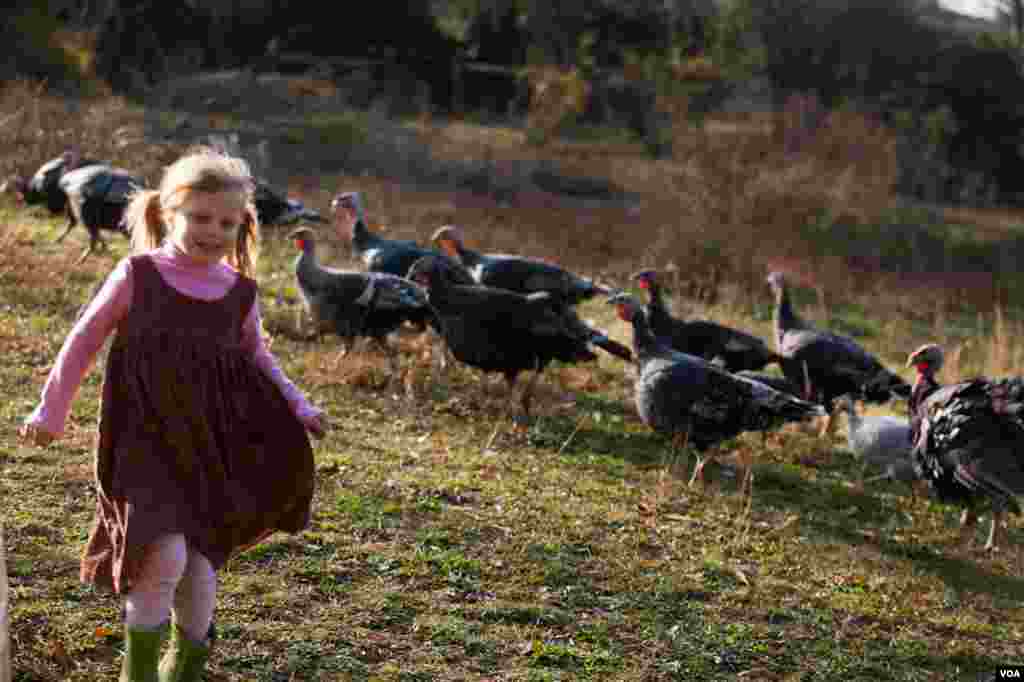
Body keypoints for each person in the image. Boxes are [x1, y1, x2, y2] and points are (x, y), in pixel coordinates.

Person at [19, 147, 326, 681]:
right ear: (170, 212)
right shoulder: (138, 274)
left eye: (227, 222)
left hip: (212, 444)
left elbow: (259, 356)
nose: (213, 230)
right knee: (162, 560)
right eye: (201, 217)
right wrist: (51, 411)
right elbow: (83, 340)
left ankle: (185, 666)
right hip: (140, 439)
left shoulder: (239, 292)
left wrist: (299, 405)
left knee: (200, 572)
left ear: (243, 225)